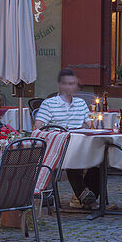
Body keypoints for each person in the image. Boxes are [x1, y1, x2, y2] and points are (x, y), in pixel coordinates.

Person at [33, 68, 96, 208]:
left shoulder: (80, 103)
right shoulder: (49, 104)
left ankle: (90, 195)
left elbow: (91, 125)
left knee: (100, 157)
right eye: (66, 83)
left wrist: (95, 121)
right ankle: (83, 194)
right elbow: (38, 128)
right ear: (60, 85)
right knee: (70, 153)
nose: (69, 87)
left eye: (72, 83)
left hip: (81, 144)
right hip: (59, 146)